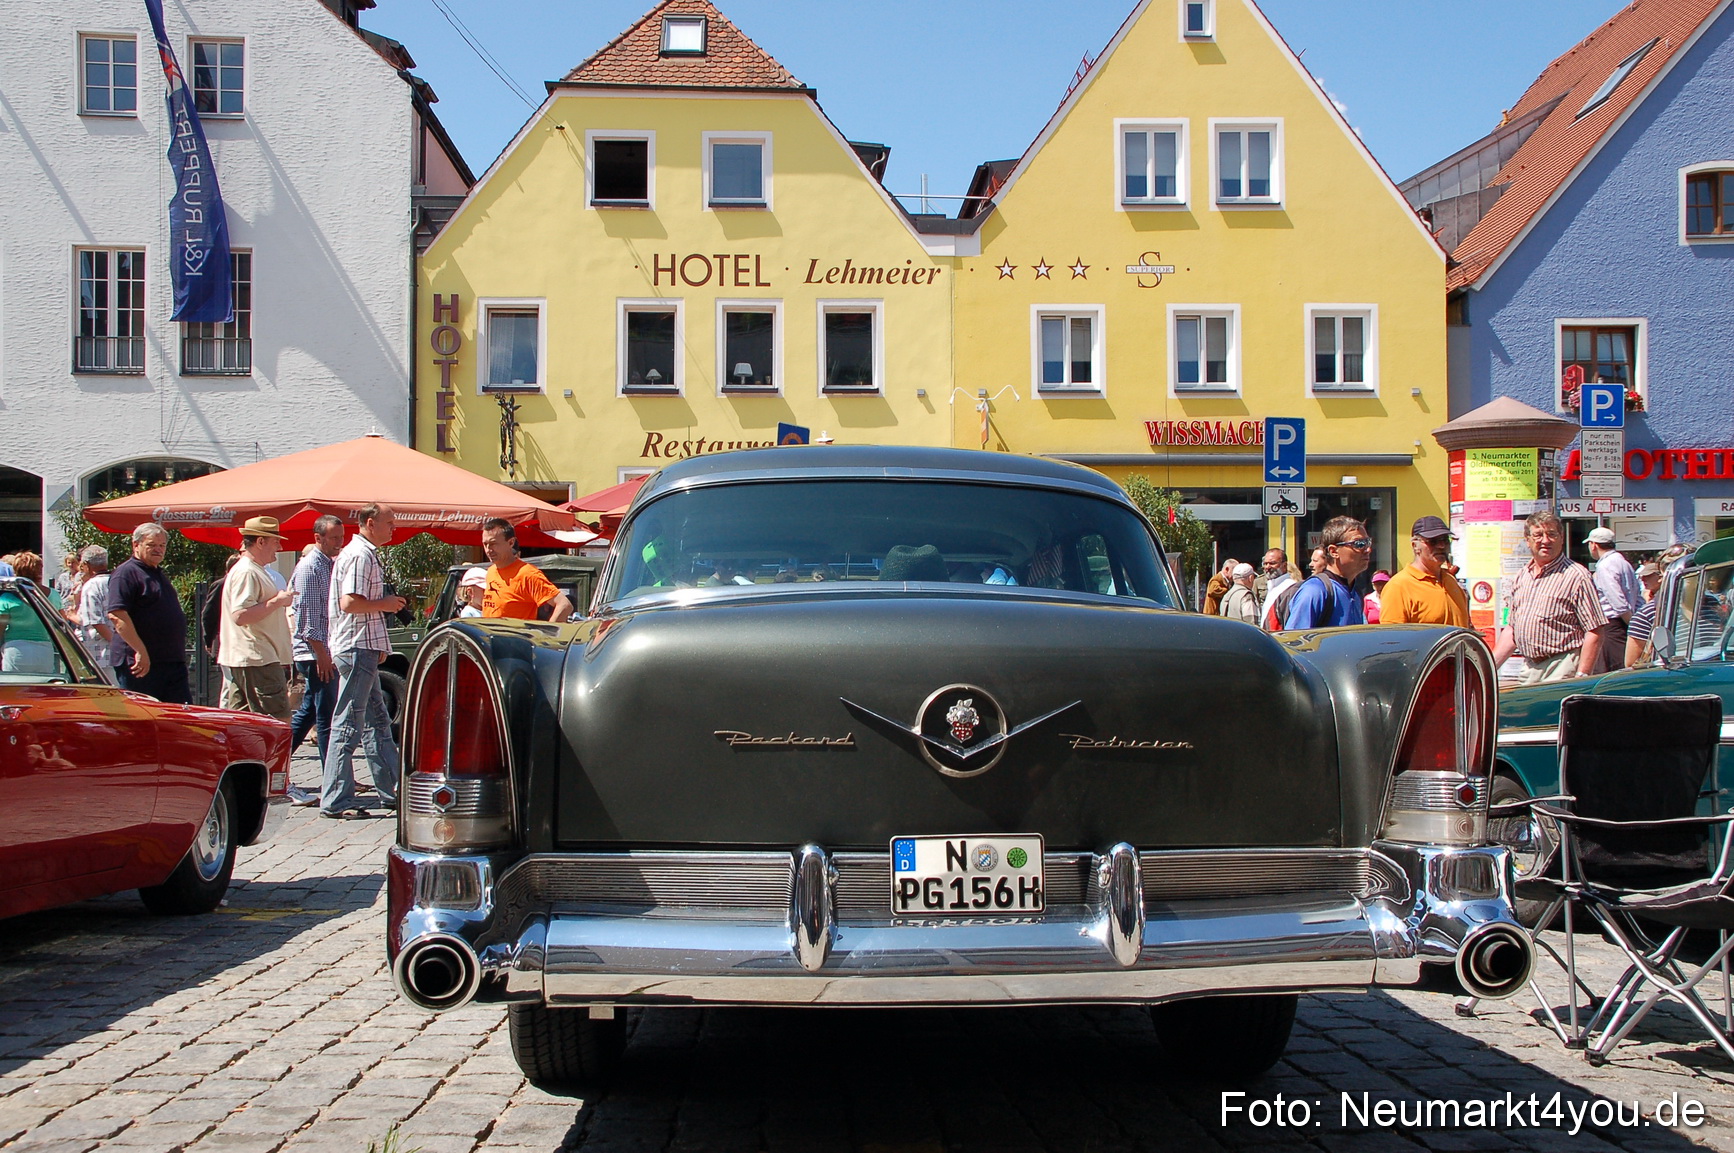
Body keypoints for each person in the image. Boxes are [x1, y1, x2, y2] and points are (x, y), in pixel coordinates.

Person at [322, 504, 404, 819]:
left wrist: (379, 642)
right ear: (371, 523)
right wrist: (386, 603)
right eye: (389, 522)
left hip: (361, 647)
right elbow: (350, 603)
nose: (393, 528)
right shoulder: (360, 555)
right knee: (348, 723)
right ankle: (336, 799)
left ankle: (393, 790)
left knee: (378, 722)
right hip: (356, 648)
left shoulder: (362, 553)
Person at [1490, 511, 1609, 684]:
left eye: (1552, 534)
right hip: (1529, 668)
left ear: (1561, 538)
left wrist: (1582, 676)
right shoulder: (1522, 576)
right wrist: (1489, 667)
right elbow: (1512, 629)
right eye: (1538, 535)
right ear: (1527, 540)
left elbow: (1595, 630)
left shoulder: (1576, 576)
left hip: (1563, 667)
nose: (1545, 541)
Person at [219, 517, 296, 721]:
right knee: (277, 722)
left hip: (251, 658)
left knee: (243, 723)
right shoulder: (247, 571)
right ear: (260, 541)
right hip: (258, 659)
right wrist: (277, 601)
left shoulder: (250, 570)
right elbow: (240, 615)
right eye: (275, 541)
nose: (279, 548)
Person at [287, 516, 344, 790]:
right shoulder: (310, 568)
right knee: (326, 716)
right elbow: (309, 621)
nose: (339, 542)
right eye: (334, 538)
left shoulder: (328, 564)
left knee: (309, 711)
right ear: (318, 538)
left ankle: (277, 757)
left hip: (321, 650)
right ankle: (333, 779)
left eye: (340, 537)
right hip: (314, 653)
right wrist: (322, 655)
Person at [106, 524, 191, 703]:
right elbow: (117, 615)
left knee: (179, 714)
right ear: (136, 545)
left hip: (170, 663)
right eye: (151, 545)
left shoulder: (157, 573)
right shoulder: (126, 573)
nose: (158, 550)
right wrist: (140, 650)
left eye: (162, 545)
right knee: (143, 714)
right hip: (142, 664)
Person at [1378, 516, 1469, 628]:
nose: (1441, 546)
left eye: (1445, 540)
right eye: (1433, 541)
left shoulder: (1451, 581)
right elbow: (1392, 636)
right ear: (1415, 546)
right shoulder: (1399, 587)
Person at [1284, 517, 1371, 629]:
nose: (1368, 550)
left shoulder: (1355, 592)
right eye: (1359, 544)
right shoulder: (1314, 591)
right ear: (1333, 551)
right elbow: (1295, 637)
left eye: (1368, 542)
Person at [480, 518, 574, 622]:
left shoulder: (528, 574)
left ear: (511, 542)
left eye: (493, 544)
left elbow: (564, 605)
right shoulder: (491, 572)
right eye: (485, 544)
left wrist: (549, 631)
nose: (488, 550)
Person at [1586, 526, 1640, 673]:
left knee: (1611, 670)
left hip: (1614, 625)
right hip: (1625, 621)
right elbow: (1636, 594)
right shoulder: (1624, 563)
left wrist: (1631, 623)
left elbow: (1616, 599)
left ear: (1594, 545)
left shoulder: (1605, 566)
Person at [74, 546, 116, 672]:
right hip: (118, 653)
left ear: (87, 565)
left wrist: (117, 644)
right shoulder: (117, 581)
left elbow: (96, 621)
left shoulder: (92, 585)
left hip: (100, 655)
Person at [1625, 559, 1663, 668]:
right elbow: (1631, 664)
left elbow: (1630, 663)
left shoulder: (1647, 612)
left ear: (1661, 577)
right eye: (1642, 576)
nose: (1643, 579)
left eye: (1648, 576)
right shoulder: (1646, 611)